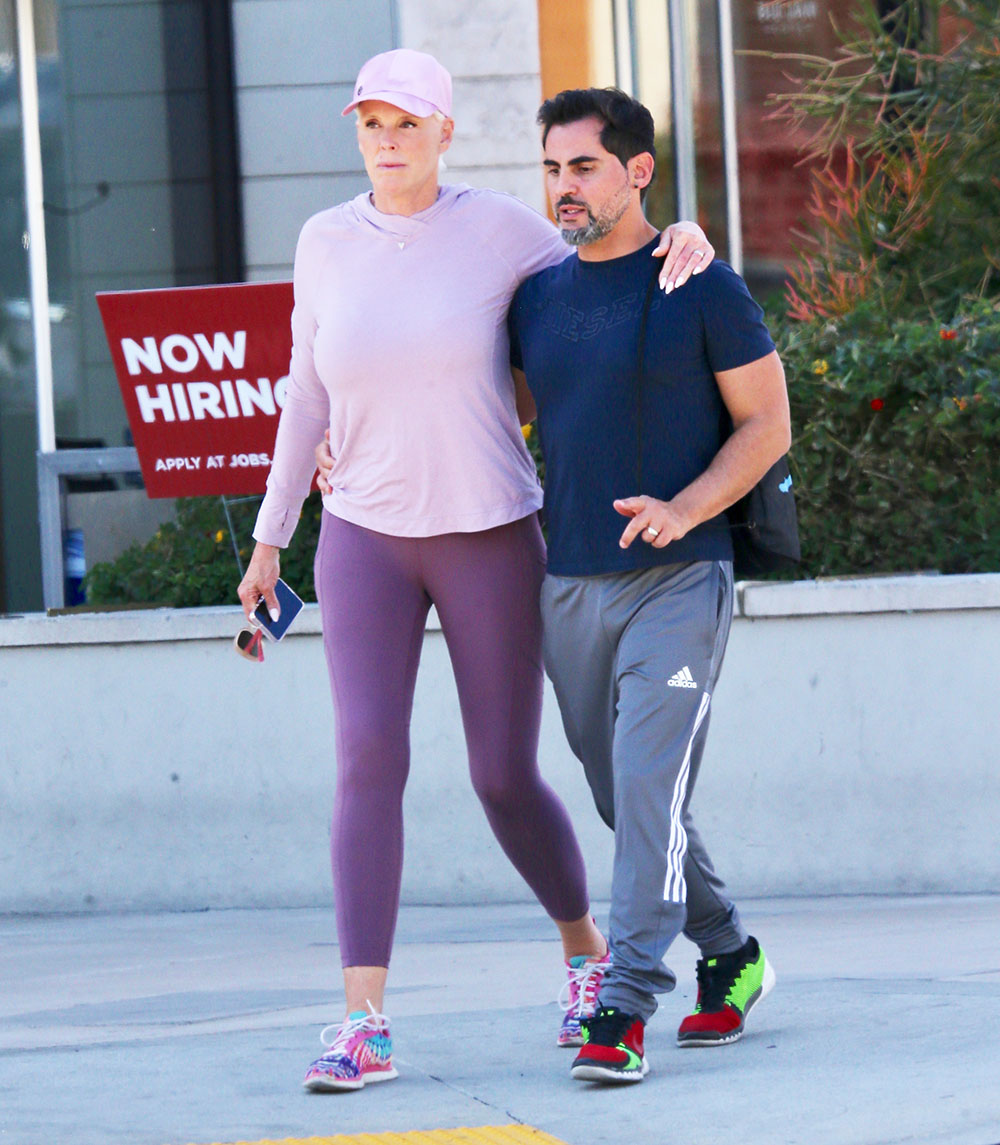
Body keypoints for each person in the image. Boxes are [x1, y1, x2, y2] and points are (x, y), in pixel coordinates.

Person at [236, 49, 714, 1092]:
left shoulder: (502, 228)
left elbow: (607, 260)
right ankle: (362, 1017)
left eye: (406, 121)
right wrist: (272, 536)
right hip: (361, 533)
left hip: (491, 529)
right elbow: (302, 395)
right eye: (370, 122)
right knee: (369, 759)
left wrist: (685, 236)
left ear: (444, 132)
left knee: (502, 773)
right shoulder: (322, 242)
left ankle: (584, 953)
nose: (387, 138)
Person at [507, 87, 790, 1084]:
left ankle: (623, 1005)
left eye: (581, 166)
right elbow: (487, 409)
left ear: (636, 171)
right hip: (570, 581)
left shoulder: (699, 286)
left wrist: (684, 505)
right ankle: (730, 949)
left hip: (680, 575)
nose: (561, 187)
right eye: (549, 167)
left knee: (643, 782)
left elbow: (766, 424)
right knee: (623, 793)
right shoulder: (535, 297)